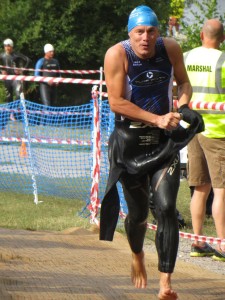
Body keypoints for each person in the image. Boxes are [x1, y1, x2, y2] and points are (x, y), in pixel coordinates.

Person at [99, 5, 204, 300]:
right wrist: (156, 117)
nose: (146, 38)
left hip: (162, 141)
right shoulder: (117, 54)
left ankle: (165, 283)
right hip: (129, 143)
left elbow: (183, 82)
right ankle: (137, 254)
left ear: (159, 32)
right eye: (139, 32)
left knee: (167, 207)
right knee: (138, 214)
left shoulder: (170, 48)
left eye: (151, 31)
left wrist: (182, 107)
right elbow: (117, 102)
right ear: (129, 34)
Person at [184, 19, 225, 262]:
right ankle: (222, 245)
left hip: (193, 130)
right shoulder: (223, 61)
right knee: (221, 191)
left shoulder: (187, 56)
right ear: (222, 38)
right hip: (218, 131)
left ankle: (198, 241)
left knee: (199, 188)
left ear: (201, 34)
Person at [0, 38, 31, 121]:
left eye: (9, 46)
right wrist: (1, 71)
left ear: (12, 47)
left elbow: (28, 60)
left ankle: (13, 112)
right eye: (5, 46)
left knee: (18, 95)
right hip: (7, 78)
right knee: (8, 97)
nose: (7, 48)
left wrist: (22, 70)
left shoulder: (16, 55)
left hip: (15, 78)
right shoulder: (2, 55)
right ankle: (10, 114)